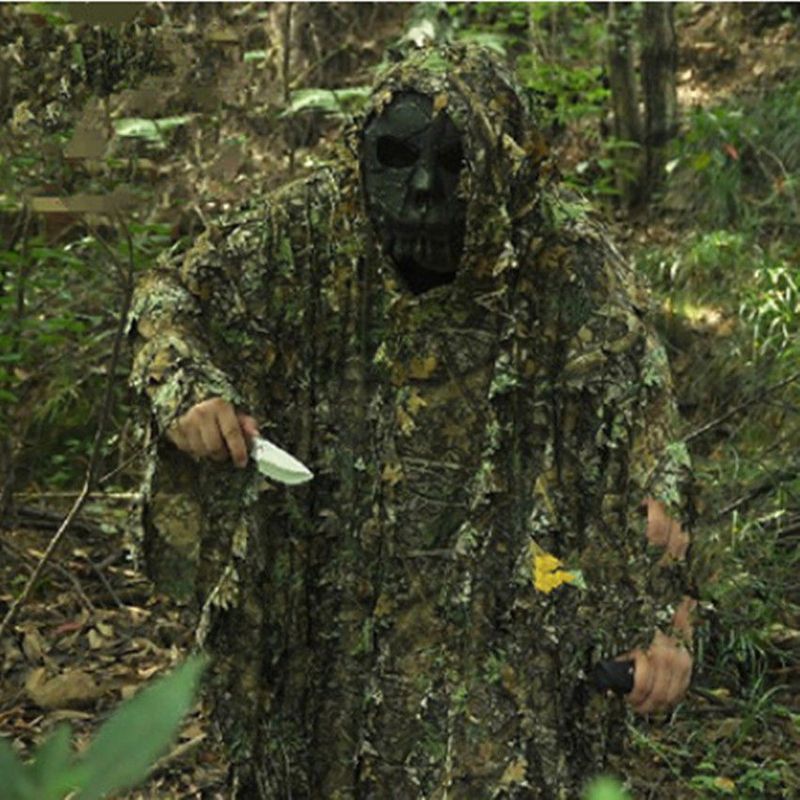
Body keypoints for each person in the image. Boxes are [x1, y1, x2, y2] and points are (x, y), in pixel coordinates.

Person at [130, 44, 694, 799]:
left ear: (499, 169)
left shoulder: (567, 261)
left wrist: (666, 622)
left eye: (456, 163)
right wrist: (189, 391)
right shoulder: (312, 225)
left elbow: (652, 461)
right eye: (396, 159)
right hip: (326, 610)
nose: (423, 190)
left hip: (499, 621)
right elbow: (171, 297)